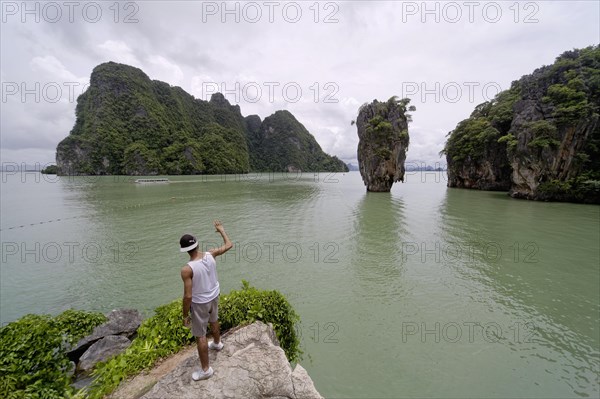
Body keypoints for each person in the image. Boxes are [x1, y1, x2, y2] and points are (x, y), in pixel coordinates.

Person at [180, 220, 233, 381]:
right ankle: (217, 343)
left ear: (184, 250)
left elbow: (188, 296)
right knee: (214, 319)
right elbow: (229, 245)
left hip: (200, 303)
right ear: (196, 244)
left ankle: (205, 370)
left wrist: (185, 315)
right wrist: (221, 230)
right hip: (214, 295)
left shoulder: (187, 269)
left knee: (200, 335)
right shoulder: (211, 254)